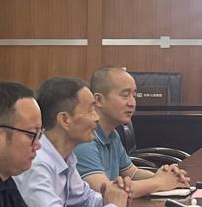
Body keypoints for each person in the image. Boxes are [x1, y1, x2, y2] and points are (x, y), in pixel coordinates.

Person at [15, 77, 131, 207]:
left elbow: (84, 200)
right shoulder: (37, 162)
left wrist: (111, 196)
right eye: (91, 110)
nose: (97, 118)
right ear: (65, 119)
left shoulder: (66, 157)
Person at [74, 66, 189, 198]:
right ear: (99, 100)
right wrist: (159, 182)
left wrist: (166, 177)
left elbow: (132, 173)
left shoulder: (112, 134)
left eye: (134, 95)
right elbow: (105, 190)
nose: (132, 103)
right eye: (125, 95)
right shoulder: (84, 138)